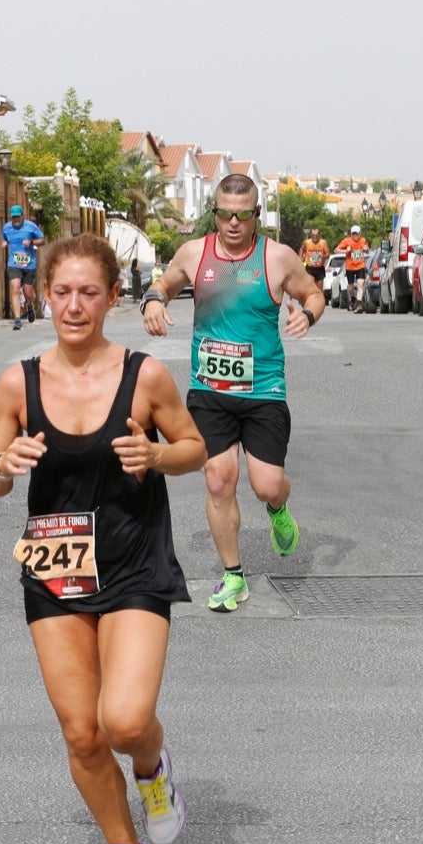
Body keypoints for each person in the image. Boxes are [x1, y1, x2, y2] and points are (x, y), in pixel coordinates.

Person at [0, 234, 207, 844]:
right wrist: (3, 465)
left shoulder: (146, 377)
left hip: (134, 560)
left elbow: (193, 445)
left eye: (88, 293)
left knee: (126, 721)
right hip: (55, 569)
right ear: (44, 295)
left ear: (111, 298)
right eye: (62, 292)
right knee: (82, 731)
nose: (74, 306)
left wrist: (158, 459)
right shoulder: (17, 382)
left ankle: (152, 769)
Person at [141, 173, 324, 612]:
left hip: (263, 390)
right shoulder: (194, 252)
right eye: (225, 214)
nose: (233, 223)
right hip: (209, 389)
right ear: (215, 214)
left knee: (266, 485)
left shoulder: (277, 258)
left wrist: (308, 316)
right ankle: (233, 576)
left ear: (256, 215)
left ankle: (278, 509)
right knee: (219, 480)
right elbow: (163, 283)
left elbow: (313, 293)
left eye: (243, 215)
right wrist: (153, 300)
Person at [2, 204, 45, 330]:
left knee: (28, 292)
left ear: (22, 216)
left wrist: (31, 242)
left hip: (29, 263)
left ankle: (30, 305)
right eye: (13, 217)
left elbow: (42, 240)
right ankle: (17, 319)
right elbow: (4, 239)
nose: (15, 220)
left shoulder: (30, 226)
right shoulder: (6, 228)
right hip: (13, 263)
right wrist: (4, 243)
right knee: (15, 289)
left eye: (17, 217)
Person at [337, 223, 371, 313]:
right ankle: (353, 298)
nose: (355, 236)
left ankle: (359, 304)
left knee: (360, 284)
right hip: (350, 267)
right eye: (353, 234)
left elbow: (368, 250)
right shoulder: (347, 241)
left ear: (360, 233)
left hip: (360, 265)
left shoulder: (363, 240)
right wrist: (345, 251)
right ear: (351, 234)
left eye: (357, 234)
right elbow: (336, 250)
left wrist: (366, 248)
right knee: (351, 287)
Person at [301, 227, 331, 294]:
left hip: (320, 268)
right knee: (310, 286)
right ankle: (309, 300)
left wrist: (323, 256)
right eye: (313, 235)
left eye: (316, 235)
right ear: (311, 235)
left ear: (319, 235)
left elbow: (328, 254)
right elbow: (302, 249)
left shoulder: (323, 242)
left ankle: (318, 301)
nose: (315, 237)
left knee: (319, 290)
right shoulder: (307, 242)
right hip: (310, 267)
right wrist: (301, 259)